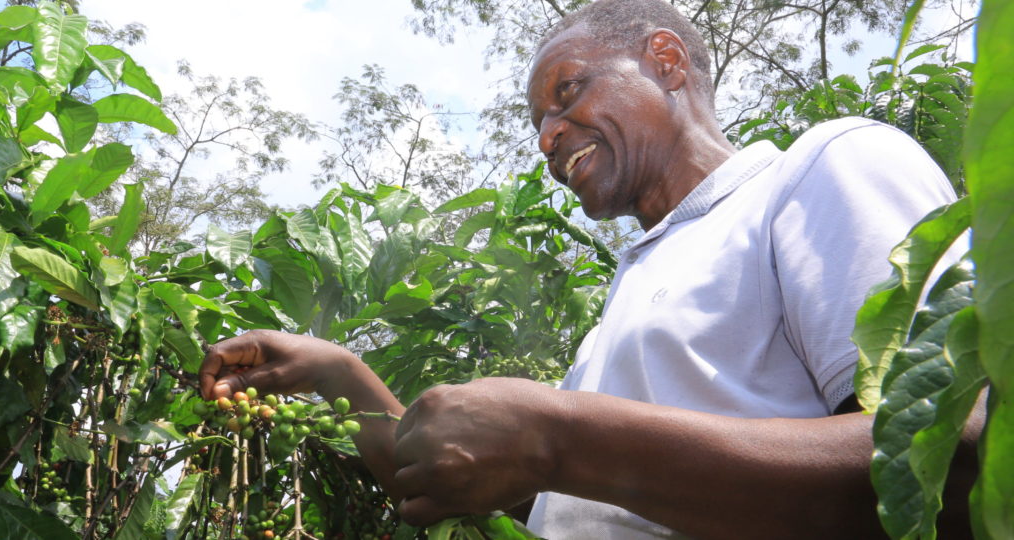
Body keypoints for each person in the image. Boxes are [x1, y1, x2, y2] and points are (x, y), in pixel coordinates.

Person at [199, 0, 980, 537]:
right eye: (538, 123)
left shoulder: (820, 171)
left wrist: (558, 436)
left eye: (567, 92)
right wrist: (339, 374)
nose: (546, 139)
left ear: (667, 61)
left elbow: (946, 461)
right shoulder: (633, 292)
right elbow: (473, 471)